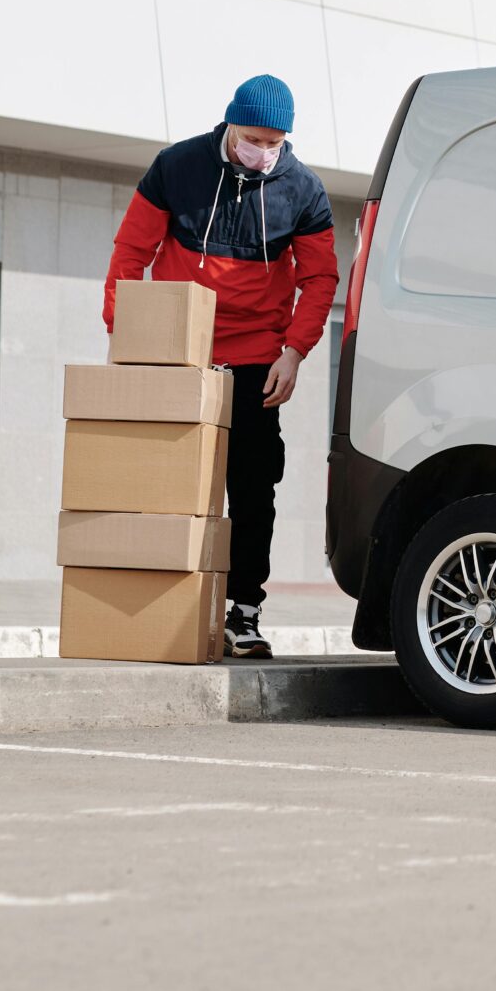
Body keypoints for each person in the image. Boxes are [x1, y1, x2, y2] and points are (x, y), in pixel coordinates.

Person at [105, 75, 337, 659]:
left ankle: (245, 614)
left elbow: (320, 280)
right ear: (230, 127)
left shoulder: (304, 190)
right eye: (254, 139)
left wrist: (295, 351)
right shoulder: (176, 167)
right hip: (181, 350)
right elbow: (132, 252)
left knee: (255, 491)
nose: (264, 152)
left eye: (276, 142)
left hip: (259, 358)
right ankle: (156, 603)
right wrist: (126, 331)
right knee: (165, 485)